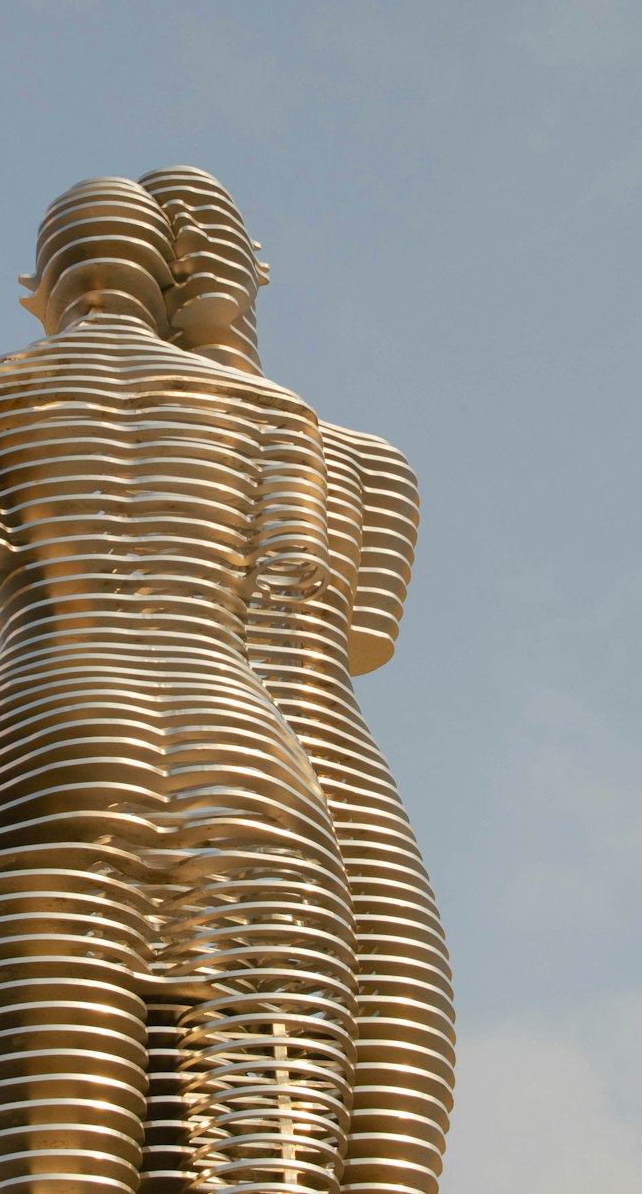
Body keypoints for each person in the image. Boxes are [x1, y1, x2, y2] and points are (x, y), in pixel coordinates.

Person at [0, 177, 362, 1194]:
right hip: (240, 747)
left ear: (38, 285)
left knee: (51, 1162)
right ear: (168, 275)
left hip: (52, 724)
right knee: (261, 1164)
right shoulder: (277, 414)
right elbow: (289, 592)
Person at [139, 166, 455, 1194]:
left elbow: (356, 635)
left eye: (207, 238)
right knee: (149, 1116)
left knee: (372, 1112)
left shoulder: (362, 460)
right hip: (177, 751)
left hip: (314, 769)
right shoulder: (113, 431)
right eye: (169, 243)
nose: (192, 266)